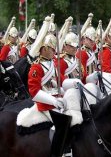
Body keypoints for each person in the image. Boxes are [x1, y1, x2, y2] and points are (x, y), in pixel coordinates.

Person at [27, 16, 78, 157]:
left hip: (57, 101)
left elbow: (59, 83)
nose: (53, 51)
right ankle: (57, 154)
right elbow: (34, 91)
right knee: (62, 123)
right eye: (51, 49)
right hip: (44, 104)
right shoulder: (36, 66)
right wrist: (53, 101)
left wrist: (72, 86)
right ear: (43, 49)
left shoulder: (53, 64)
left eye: (54, 49)